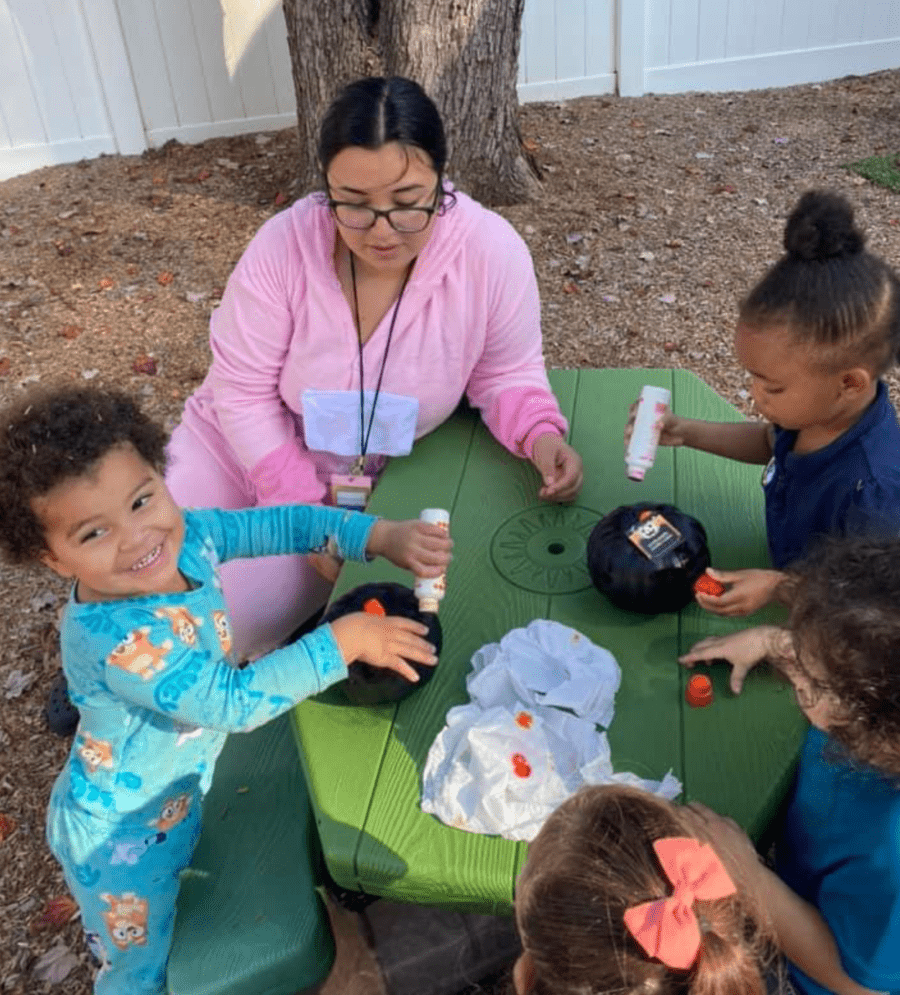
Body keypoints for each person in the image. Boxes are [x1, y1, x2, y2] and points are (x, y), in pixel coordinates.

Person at [0, 384, 451, 995]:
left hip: (176, 790)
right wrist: (340, 643)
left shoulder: (185, 538)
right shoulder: (119, 640)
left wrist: (373, 537)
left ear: (161, 476)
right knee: (140, 968)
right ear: (53, 561)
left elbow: (282, 522)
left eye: (141, 499)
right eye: (92, 534)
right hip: (120, 840)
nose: (137, 538)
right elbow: (231, 702)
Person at [164, 74, 583, 662]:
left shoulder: (491, 251)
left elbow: (507, 373)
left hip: (351, 490)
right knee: (138, 565)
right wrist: (306, 515)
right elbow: (240, 391)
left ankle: (154, 668)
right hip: (235, 447)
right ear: (326, 188)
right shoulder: (282, 245)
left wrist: (540, 435)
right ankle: (108, 666)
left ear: (443, 178)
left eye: (409, 203)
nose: (382, 231)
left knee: (219, 625)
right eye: (354, 206)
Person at [628, 189, 900, 617]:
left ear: (848, 383)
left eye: (772, 388)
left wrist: (779, 588)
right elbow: (767, 441)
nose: (755, 396)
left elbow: (873, 604)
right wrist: (688, 433)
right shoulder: (818, 413)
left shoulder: (875, 495)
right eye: (752, 378)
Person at [680, 535, 900, 995]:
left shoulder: (892, 858)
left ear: (876, 720)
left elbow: (862, 987)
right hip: (798, 877)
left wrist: (747, 877)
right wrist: (772, 640)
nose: (795, 680)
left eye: (811, 681)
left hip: (804, 969)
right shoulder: (869, 701)